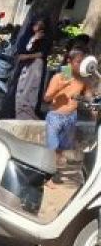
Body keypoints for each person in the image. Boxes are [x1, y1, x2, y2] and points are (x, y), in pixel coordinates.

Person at [44, 48, 89, 182]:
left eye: (82, 63)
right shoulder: (60, 77)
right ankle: (48, 173)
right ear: (69, 61)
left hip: (71, 117)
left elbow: (87, 96)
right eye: (78, 62)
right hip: (55, 116)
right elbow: (46, 98)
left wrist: (85, 99)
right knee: (52, 146)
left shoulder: (82, 79)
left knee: (61, 148)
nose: (80, 65)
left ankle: (54, 172)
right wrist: (59, 88)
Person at [14, 19, 50, 120]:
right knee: (20, 93)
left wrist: (27, 56)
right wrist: (33, 39)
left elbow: (41, 54)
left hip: (34, 68)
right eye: (36, 24)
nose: (38, 28)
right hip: (24, 68)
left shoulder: (44, 40)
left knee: (29, 94)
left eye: (41, 26)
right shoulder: (26, 37)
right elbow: (21, 52)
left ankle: (27, 116)